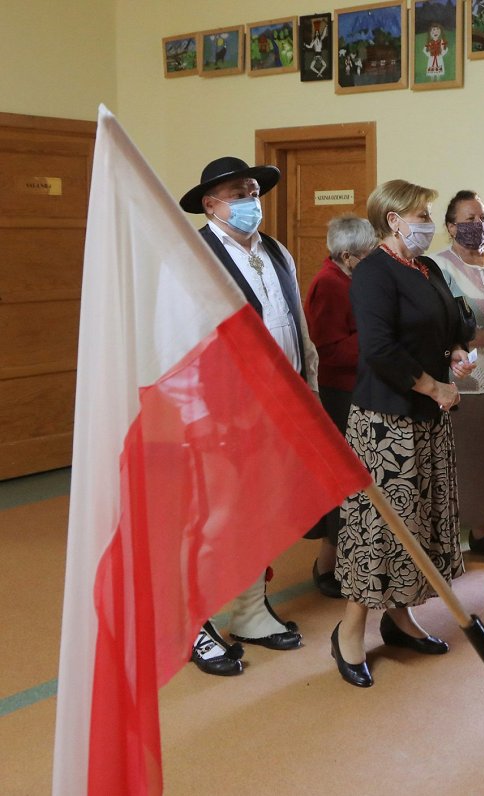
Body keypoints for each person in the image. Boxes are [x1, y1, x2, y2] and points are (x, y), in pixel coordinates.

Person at [331, 179, 475, 688]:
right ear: (393, 220)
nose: (427, 223)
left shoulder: (427, 266)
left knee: (418, 525)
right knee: (381, 528)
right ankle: (350, 630)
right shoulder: (373, 272)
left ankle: (399, 617)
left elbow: (451, 319)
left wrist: (456, 348)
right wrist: (432, 386)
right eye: (420, 214)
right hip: (386, 420)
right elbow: (379, 348)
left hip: (427, 418)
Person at [179, 156, 319, 676]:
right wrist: (197, 416)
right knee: (214, 520)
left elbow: (298, 329)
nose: (250, 203)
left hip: (279, 407)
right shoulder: (194, 255)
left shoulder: (276, 251)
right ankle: (192, 624)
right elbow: (182, 342)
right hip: (220, 413)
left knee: (261, 513)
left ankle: (248, 611)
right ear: (211, 204)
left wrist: (310, 391)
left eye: (254, 192)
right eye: (238, 194)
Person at [428, 191, 484, 563]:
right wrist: (473, 338)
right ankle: (445, 536)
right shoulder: (436, 265)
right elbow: (432, 320)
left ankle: (483, 530)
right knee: (453, 460)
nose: (476, 225)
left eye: (481, 216)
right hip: (458, 379)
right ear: (450, 226)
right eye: (467, 218)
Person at [303, 213, 379, 598]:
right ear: (347, 256)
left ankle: (346, 559)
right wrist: (376, 341)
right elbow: (328, 348)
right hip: (339, 393)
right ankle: (327, 565)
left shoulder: (348, 278)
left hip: (358, 387)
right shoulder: (328, 285)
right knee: (342, 480)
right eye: (367, 254)